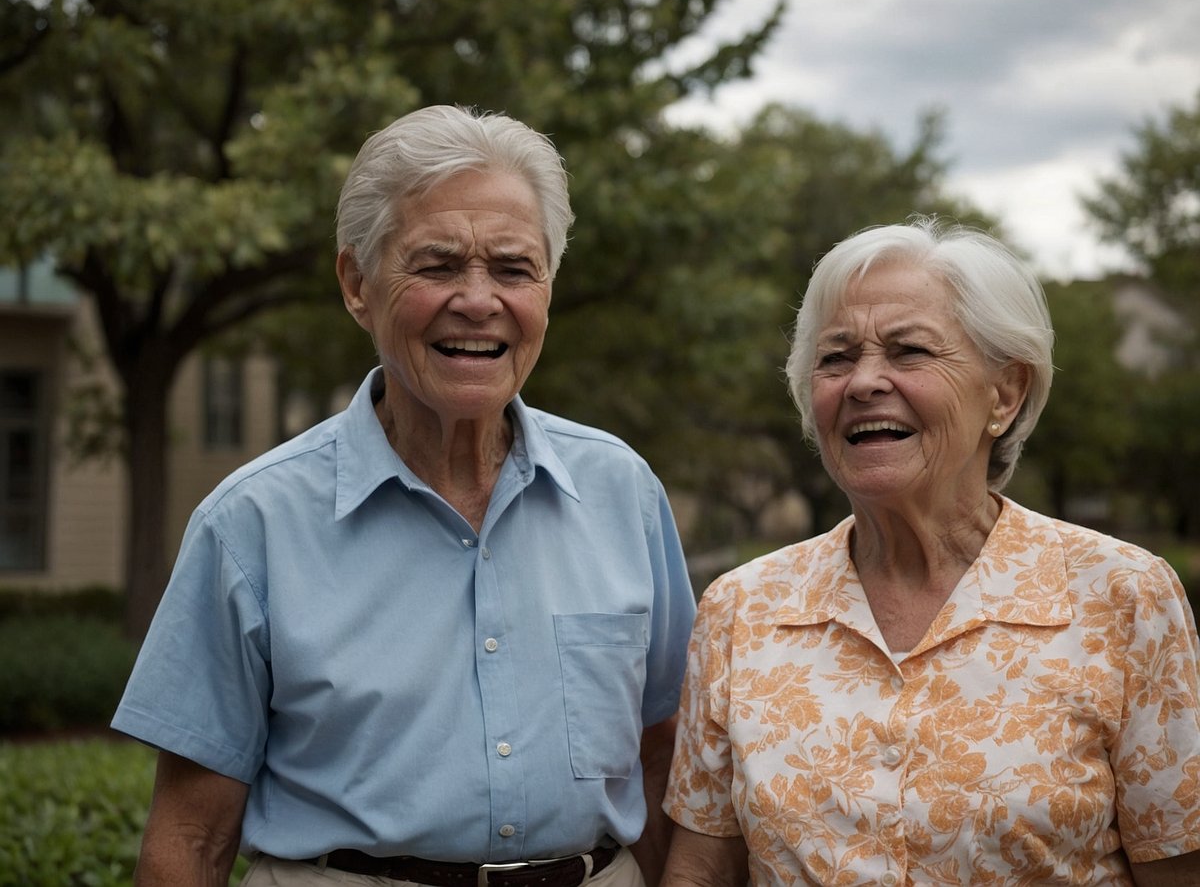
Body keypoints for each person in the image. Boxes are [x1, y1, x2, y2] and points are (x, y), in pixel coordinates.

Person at [113, 105, 696, 887]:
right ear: (357, 284)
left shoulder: (623, 491)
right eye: (439, 264)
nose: (479, 300)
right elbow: (190, 835)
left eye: (514, 268)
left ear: (548, 290)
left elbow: (666, 760)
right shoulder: (251, 523)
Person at [660, 218, 1200, 886]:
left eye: (909, 351)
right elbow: (700, 867)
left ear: (1004, 394)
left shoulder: (1121, 596)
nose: (863, 382)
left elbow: (1176, 865)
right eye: (835, 357)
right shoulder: (742, 609)